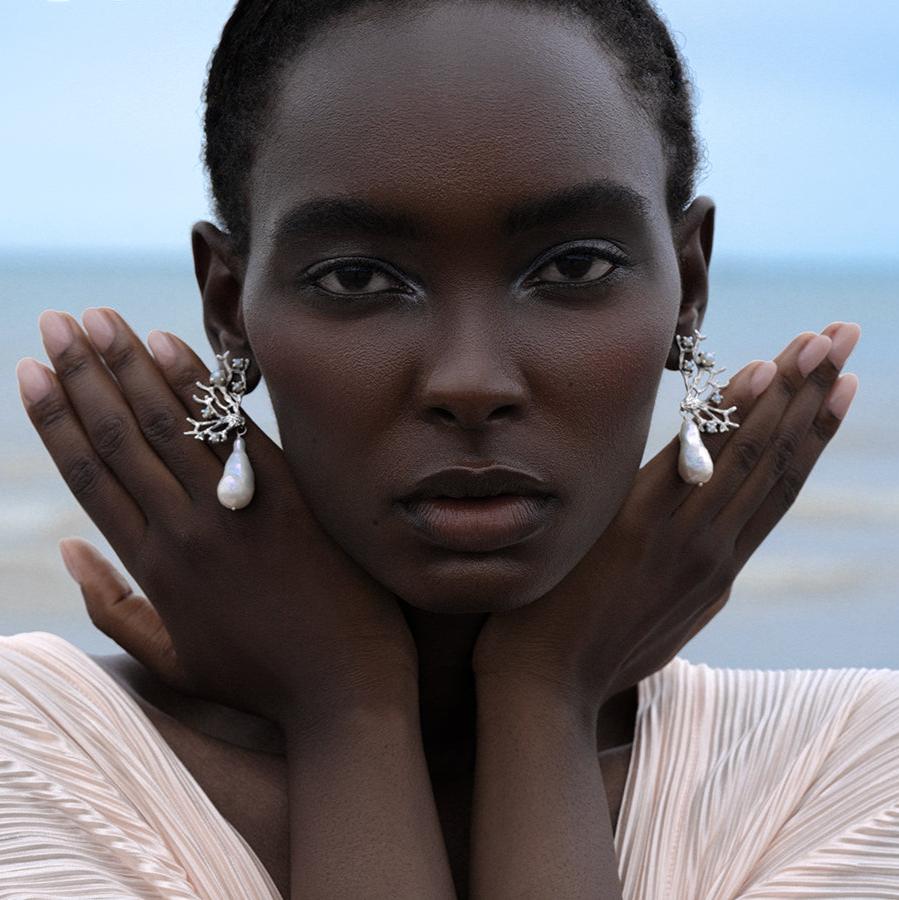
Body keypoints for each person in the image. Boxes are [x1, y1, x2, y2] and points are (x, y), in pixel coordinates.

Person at [2, 0, 894, 897]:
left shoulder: (855, 770)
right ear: (231, 307)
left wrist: (540, 689)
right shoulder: (31, 752)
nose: (470, 382)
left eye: (573, 267)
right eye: (357, 277)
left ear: (687, 285)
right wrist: (346, 703)